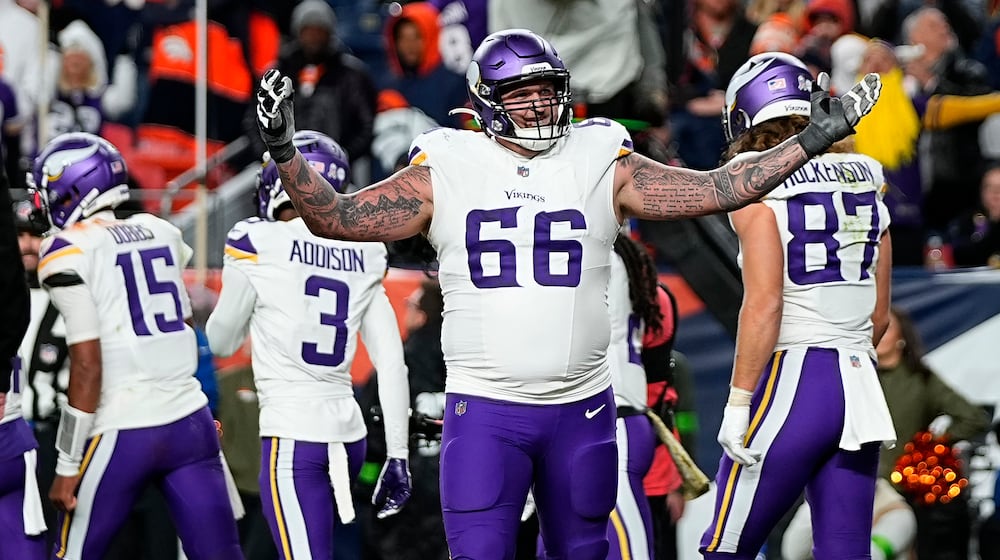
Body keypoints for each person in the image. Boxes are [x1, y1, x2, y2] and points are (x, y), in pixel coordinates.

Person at [254, 29, 882, 559]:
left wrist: (808, 141)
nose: (536, 107)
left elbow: (715, 189)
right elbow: (336, 216)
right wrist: (285, 151)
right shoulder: (445, 162)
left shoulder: (600, 153)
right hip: (487, 413)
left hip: (583, 412)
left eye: (544, 91)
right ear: (485, 102)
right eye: (518, 95)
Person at [699, 51, 895, 558]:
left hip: (796, 376)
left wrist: (740, 401)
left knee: (725, 548)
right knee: (846, 550)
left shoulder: (751, 177)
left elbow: (764, 304)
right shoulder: (868, 174)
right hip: (860, 384)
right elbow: (880, 315)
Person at [28, 132, 244, 560]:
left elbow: (88, 366)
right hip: (191, 422)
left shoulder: (66, 249)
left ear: (71, 185)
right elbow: (180, 326)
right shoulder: (159, 230)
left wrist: (68, 465)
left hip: (125, 423)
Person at [205, 130, 412, 560]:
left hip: (293, 436)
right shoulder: (367, 250)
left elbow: (221, 339)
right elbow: (392, 364)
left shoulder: (258, 240)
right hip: (349, 435)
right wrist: (398, 453)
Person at [875, 306, 989, 560]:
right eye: (874, 325)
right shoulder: (857, 375)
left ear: (902, 337)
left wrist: (929, 447)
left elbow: (973, 417)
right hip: (858, 484)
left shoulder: (920, 379)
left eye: (887, 326)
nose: (879, 331)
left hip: (901, 491)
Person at [604, 234, 665, 560]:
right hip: (619, 414)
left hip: (615, 418)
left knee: (628, 549)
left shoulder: (599, 255)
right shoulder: (625, 258)